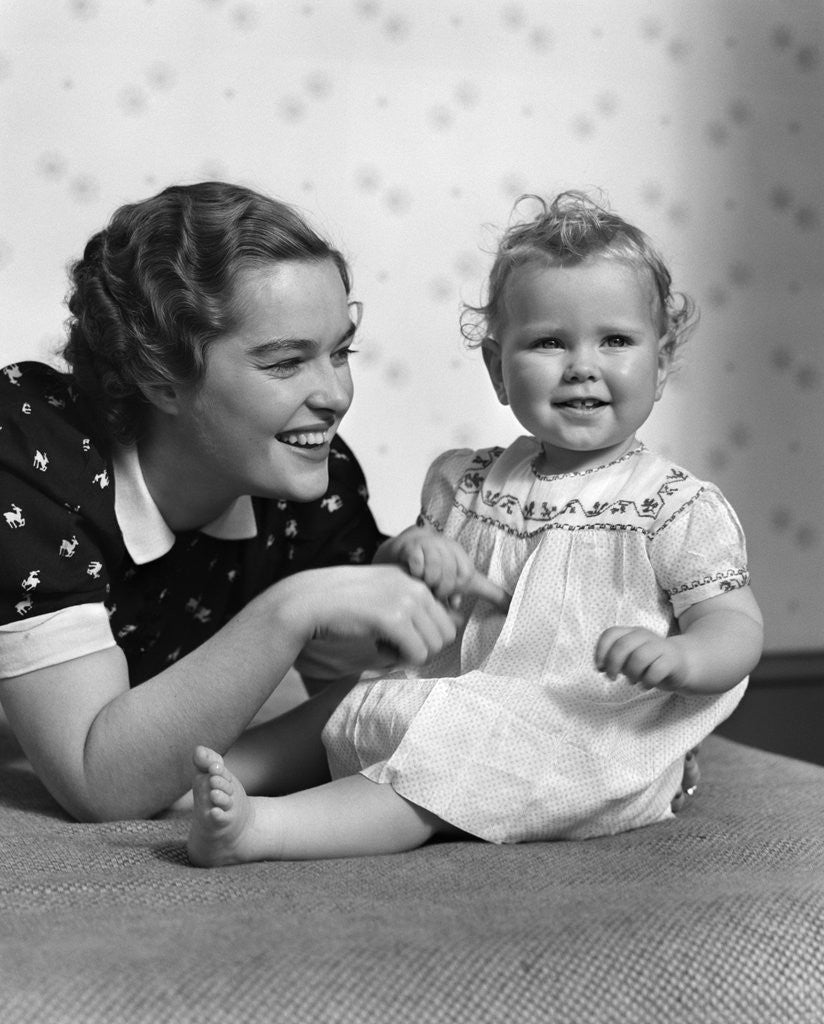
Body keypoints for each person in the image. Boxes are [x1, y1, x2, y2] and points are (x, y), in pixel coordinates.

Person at [187, 190, 760, 866]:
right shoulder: (466, 482)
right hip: (461, 688)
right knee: (364, 695)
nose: (582, 365)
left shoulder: (671, 507)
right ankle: (217, 772)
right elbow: (404, 588)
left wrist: (685, 659)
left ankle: (268, 831)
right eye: (549, 342)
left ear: (660, 365)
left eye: (615, 340)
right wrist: (413, 552)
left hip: (578, 732)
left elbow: (734, 625)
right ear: (497, 369)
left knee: (453, 756)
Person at [0, 181, 508, 823]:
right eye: (285, 363)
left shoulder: (301, 478)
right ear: (160, 375)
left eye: (340, 352)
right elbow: (98, 781)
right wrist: (297, 606)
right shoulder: (30, 449)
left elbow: (369, 710)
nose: (334, 395)